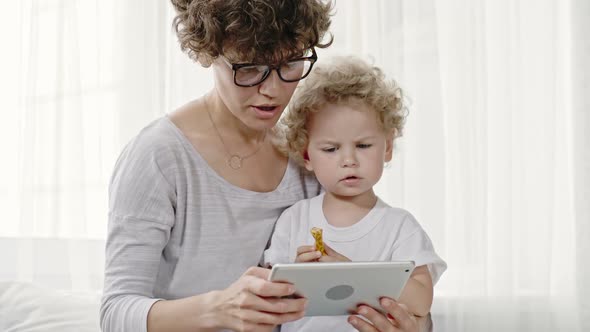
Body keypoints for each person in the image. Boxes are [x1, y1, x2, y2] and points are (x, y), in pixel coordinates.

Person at [99, 1, 334, 331]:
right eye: (250, 68)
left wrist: (406, 318)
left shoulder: (309, 156)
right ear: (209, 53)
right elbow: (115, 314)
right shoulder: (160, 155)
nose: (272, 90)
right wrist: (219, 309)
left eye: (291, 63)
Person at [263, 56, 447, 332]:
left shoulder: (399, 227)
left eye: (363, 145)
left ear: (386, 147)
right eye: (331, 149)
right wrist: (299, 277)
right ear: (306, 155)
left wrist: (348, 272)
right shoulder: (294, 220)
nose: (349, 160)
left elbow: (421, 301)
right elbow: (270, 299)